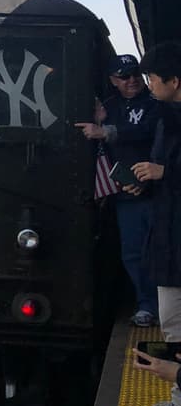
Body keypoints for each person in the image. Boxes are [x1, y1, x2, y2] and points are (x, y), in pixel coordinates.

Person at [76, 53, 161, 326]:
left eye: (135, 74)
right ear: (113, 80)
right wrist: (101, 124)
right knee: (134, 253)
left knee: (163, 250)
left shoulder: (157, 104)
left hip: (160, 192)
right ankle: (147, 305)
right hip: (127, 194)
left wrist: (107, 131)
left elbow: (147, 132)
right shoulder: (108, 108)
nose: (132, 80)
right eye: (124, 76)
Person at [128, 41, 181, 406]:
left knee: (177, 325)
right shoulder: (166, 118)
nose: (148, 85)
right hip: (170, 238)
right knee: (173, 324)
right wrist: (146, 181)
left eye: (151, 78)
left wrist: (165, 174)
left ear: (173, 81)